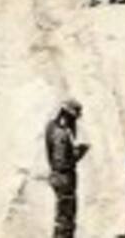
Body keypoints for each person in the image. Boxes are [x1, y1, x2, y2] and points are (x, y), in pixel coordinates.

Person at [46, 100, 90, 238]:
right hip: (64, 177)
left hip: (57, 176)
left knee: (63, 217)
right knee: (66, 219)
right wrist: (79, 153)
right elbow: (61, 161)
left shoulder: (51, 126)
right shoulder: (62, 133)